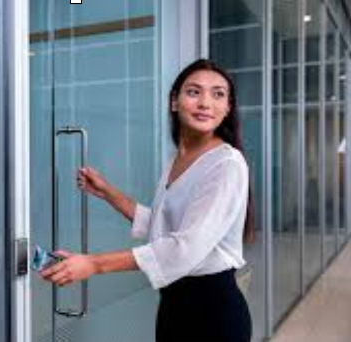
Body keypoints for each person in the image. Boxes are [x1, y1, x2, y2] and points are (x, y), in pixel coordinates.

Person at [40, 59, 254, 342]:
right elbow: (163, 224)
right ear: (174, 102)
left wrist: (94, 264)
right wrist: (108, 193)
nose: (205, 102)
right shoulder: (179, 158)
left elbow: (185, 247)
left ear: (227, 109)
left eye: (218, 94)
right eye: (194, 92)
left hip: (211, 311)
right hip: (174, 305)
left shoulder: (226, 164)